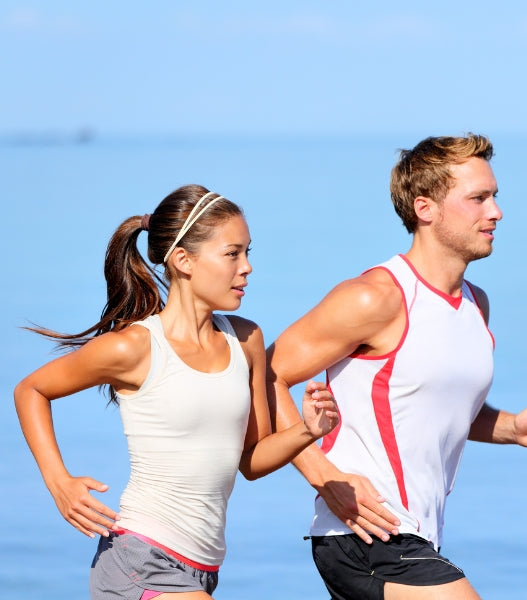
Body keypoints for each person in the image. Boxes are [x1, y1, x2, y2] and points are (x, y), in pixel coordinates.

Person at [266, 134, 527, 600]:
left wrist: (512, 427)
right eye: (478, 198)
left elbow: (423, 403)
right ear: (425, 208)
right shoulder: (376, 297)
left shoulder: (475, 305)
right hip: (365, 533)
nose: (496, 212)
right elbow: (264, 373)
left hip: (418, 536)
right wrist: (323, 477)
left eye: (495, 197)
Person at [14, 184, 338, 600]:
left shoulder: (246, 340)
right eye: (232, 253)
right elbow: (31, 389)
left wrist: (308, 431)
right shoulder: (135, 348)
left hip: (202, 569)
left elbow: (251, 460)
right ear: (184, 260)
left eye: (247, 252)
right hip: (137, 560)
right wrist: (59, 482)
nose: (247, 267)